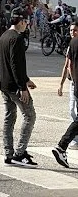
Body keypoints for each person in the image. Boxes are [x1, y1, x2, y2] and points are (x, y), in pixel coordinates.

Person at [0, 9, 37, 166]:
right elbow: (15, 64)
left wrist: (26, 80)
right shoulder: (17, 39)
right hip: (15, 86)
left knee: (9, 117)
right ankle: (20, 152)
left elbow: (7, 63)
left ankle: (8, 153)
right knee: (30, 115)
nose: (26, 25)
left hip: (4, 85)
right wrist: (22, 87)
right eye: (26, 22)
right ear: (21, 22)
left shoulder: (4, 36)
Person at [53, 19, 78, 166]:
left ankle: (62, 146)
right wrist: (62, 84)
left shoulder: (73, 43)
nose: (72, 33)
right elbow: (67, 65)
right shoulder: (73, 43)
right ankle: (62, 145)